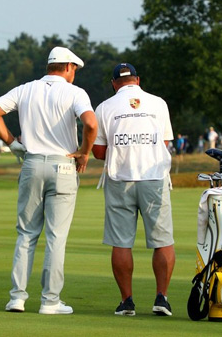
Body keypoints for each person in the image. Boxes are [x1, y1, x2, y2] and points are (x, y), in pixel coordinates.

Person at [0, 46, 97, 315]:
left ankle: (17, 298)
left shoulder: (25, 89)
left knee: (26, 234)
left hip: (32, 163)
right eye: (75, 70)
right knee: (56, 237)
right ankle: (50, 301)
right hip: (64, 167)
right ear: (68, 67)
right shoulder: (75, 93)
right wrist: (84, 152)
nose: (75, 75)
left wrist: (12, 142)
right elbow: (91, 124)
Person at [92, 63, 175, 317]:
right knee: (162, 241)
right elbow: (165, 142)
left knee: (121, 243)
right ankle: (161, 297)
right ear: (137, 80)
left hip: (120, 179)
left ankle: (127, 301)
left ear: (114, 83)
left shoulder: (104, 107)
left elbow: (98, 152)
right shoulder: (158, 103)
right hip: (154, 178)